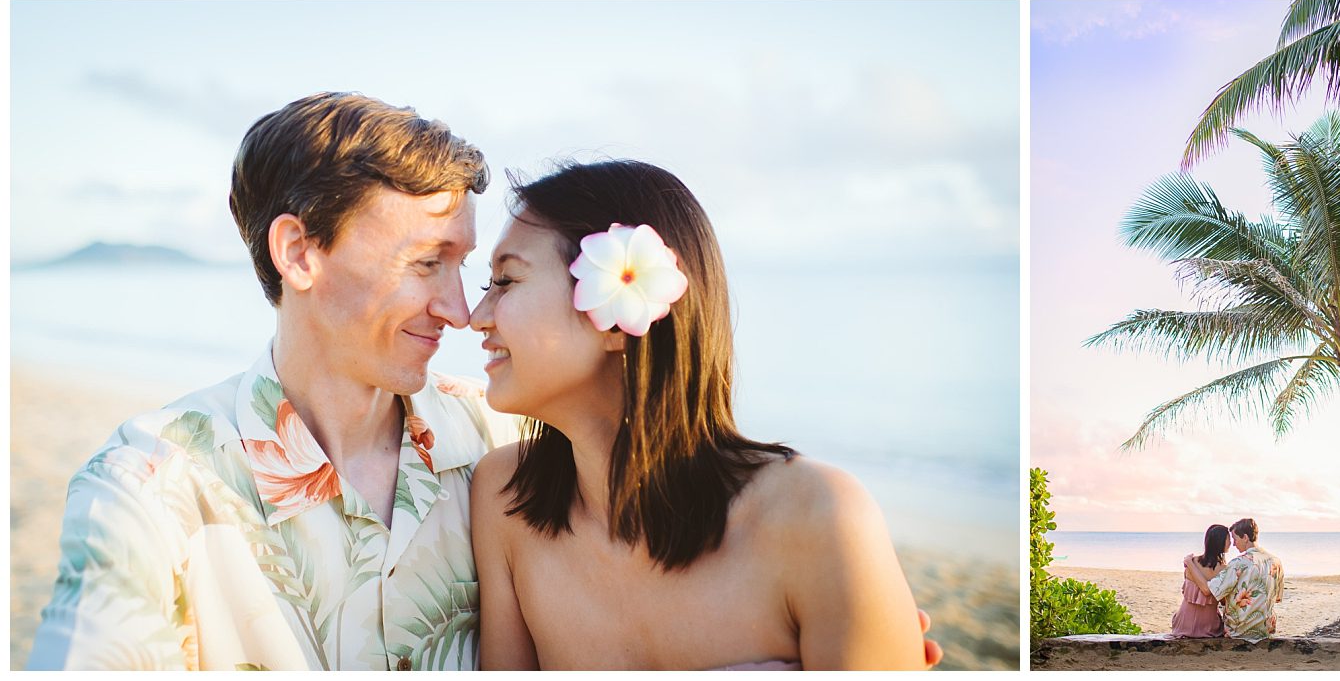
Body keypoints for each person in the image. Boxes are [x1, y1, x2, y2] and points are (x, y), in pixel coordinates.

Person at [27, 93, 943, 670]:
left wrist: (856, 612)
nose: (463, 310)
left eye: (485, 273)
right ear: (299, 251)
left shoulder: (491, 449)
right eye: (429, 261)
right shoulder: (146, 491)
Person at [468, 160, 927, 670]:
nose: (475, 316)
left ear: (619, 318)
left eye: (506, 280)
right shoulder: (504, 498)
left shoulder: (817, 518)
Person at [1185, 517, 1284, 642]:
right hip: (1266, 630)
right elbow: (1277, 597)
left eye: (1235, 539)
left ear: (1245, 538)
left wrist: (1189, 562)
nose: (1233, 544)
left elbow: (1209, 590)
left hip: (1239, 630)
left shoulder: (1238, 563)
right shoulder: (1276, 561)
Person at [1170, 524, 1229, 638]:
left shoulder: (1192, 562)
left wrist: (1189, 563)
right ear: (1220, 542)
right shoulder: (1224, 570)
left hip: (1183, 623)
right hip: (1208, 626)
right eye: (1228, 540)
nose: (1230, 543)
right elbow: (1221, 599)